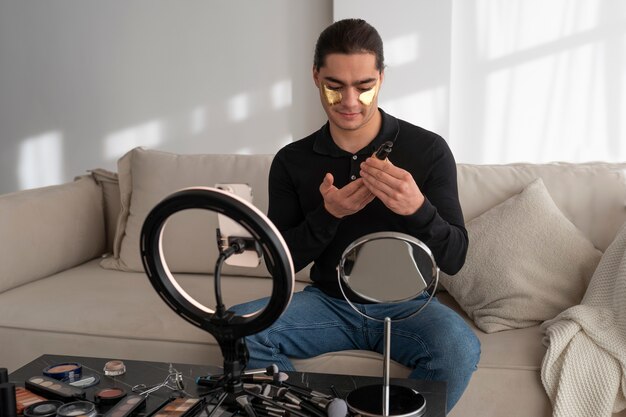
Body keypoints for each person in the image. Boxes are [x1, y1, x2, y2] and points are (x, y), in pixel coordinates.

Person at [231, 18, 480, 412]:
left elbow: (456, 258)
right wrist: (328, 215)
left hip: (408, 307)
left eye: (364, 87)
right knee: (239, 327)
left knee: (459, 347)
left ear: (381, 78)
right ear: (315, 77)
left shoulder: (428, 150)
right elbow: (281, 264)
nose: (349, 101)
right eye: (335, 86)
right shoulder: (292, 161)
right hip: (328, 303)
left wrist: (417, 208)